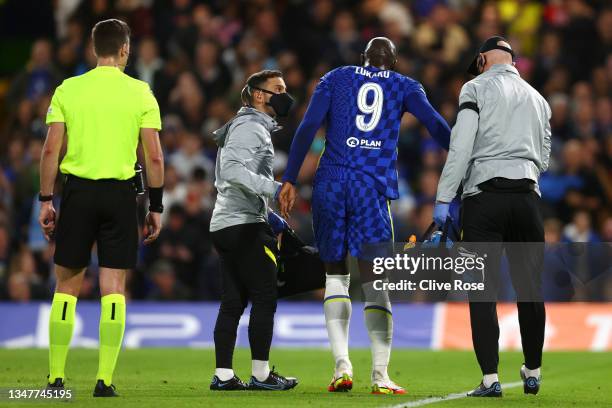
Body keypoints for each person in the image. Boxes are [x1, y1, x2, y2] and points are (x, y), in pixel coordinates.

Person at [278, 37, 450, 394]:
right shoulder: (404, 85)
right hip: (370, 187)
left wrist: (290, 178)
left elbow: (308, 126)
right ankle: (380, 375)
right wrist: (464, 155)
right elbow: (434, 124)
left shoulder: (335, 77)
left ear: (363, 59)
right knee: (377, 282)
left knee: (336, 276)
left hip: (330, 182)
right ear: (394, 61)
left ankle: (341, 365)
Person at [39, 19, 164, 397]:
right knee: (113, 287)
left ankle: (56, 380)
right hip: (120, 196)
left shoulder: (69, 89)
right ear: (125, 50)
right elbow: (154, 157)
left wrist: (46, 200)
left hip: (77, 194)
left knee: (66, 286)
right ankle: (104, 381)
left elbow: (49, 150)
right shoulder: (141, 92)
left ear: (94, 49)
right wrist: (155, 205)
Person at [433, 36, 551, 397]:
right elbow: (544, 157)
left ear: (482, 59)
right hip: (528, 197)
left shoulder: (475, 87)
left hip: (485, 197)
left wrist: (443, 197)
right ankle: (532, 372)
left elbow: (461, 145)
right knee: (530, 289)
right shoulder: (539, 99)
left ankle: (491, 380)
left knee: (482, 291)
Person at [209, 70, 297, 391]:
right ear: (259, 95)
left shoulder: (246, 126)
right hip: (244, 226)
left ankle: (224, 376)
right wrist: (275, 188)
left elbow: (232, 178)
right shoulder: (250, 127)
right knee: (264, 296)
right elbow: (232, 171)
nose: (285, 95)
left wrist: (271, 216)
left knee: (232, 302)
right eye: (278, 89)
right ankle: (260, 374)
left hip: (226, 223)